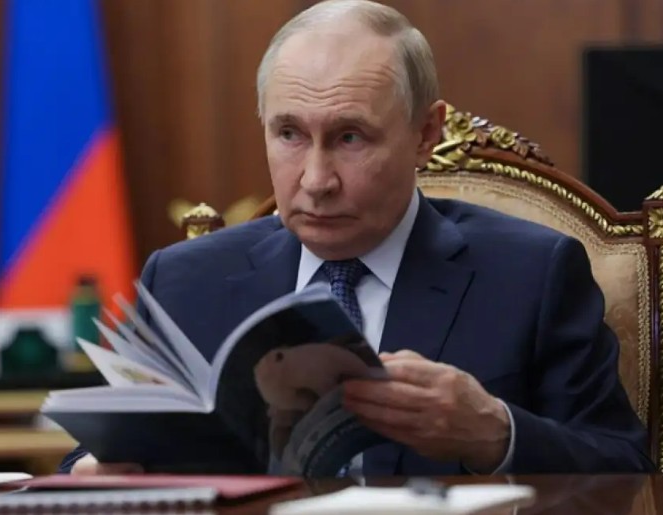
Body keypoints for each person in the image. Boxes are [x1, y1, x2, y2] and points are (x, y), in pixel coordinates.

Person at [60, 0, 654, 475]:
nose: (316, 181)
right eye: (289, 134)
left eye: (350, 137)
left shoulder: (532, 274)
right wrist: (96, 470)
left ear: (425, 135)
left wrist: (493, 432)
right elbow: (96, 456)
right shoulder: (185, 280)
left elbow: (623, 469)